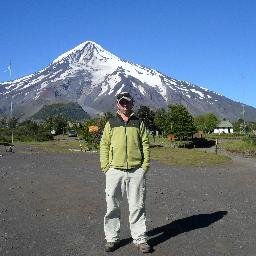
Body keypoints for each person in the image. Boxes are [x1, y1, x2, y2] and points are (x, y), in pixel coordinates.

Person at [100, 92, 152, 253]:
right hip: (114, 170)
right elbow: (104, 145)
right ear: (117, 104)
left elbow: (145, 143)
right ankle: (111, 239)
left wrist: (144, 166)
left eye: (127, 103)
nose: (125, 105)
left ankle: (140, 239)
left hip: (136, 170)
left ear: (132, 104)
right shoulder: (111, 123)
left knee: (137, 206)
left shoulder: (138, 122)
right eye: (122, 103)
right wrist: (106, 167)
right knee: (112, 206)